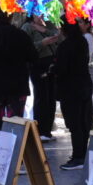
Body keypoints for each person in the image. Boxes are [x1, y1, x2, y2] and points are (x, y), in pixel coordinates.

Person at [0, 6, 37, 151]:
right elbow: (33, 57)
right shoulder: (20, 35)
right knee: (16, 124)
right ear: (11, 17)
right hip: (17, 86)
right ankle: (15, 157)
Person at [54, 19, 93, 170]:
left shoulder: (65, 46)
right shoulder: (82, 42)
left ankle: (78, 157)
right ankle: (81, 153)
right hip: (84, 84)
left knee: (74, 123)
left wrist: (52, 69)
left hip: (71, 88)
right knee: (83, 122)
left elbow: (62, 68)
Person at [22, 13, 61, 141]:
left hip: (51, 63)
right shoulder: (27, 27)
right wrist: (41, 43)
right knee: (41, 96)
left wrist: (45, 30)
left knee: (51, 97)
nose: (41, 16)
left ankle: (48, 129)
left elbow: (58, 37)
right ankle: (40, 130)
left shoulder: (48, 25)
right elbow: (26, 48)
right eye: (38, 14)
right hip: (38, 64)